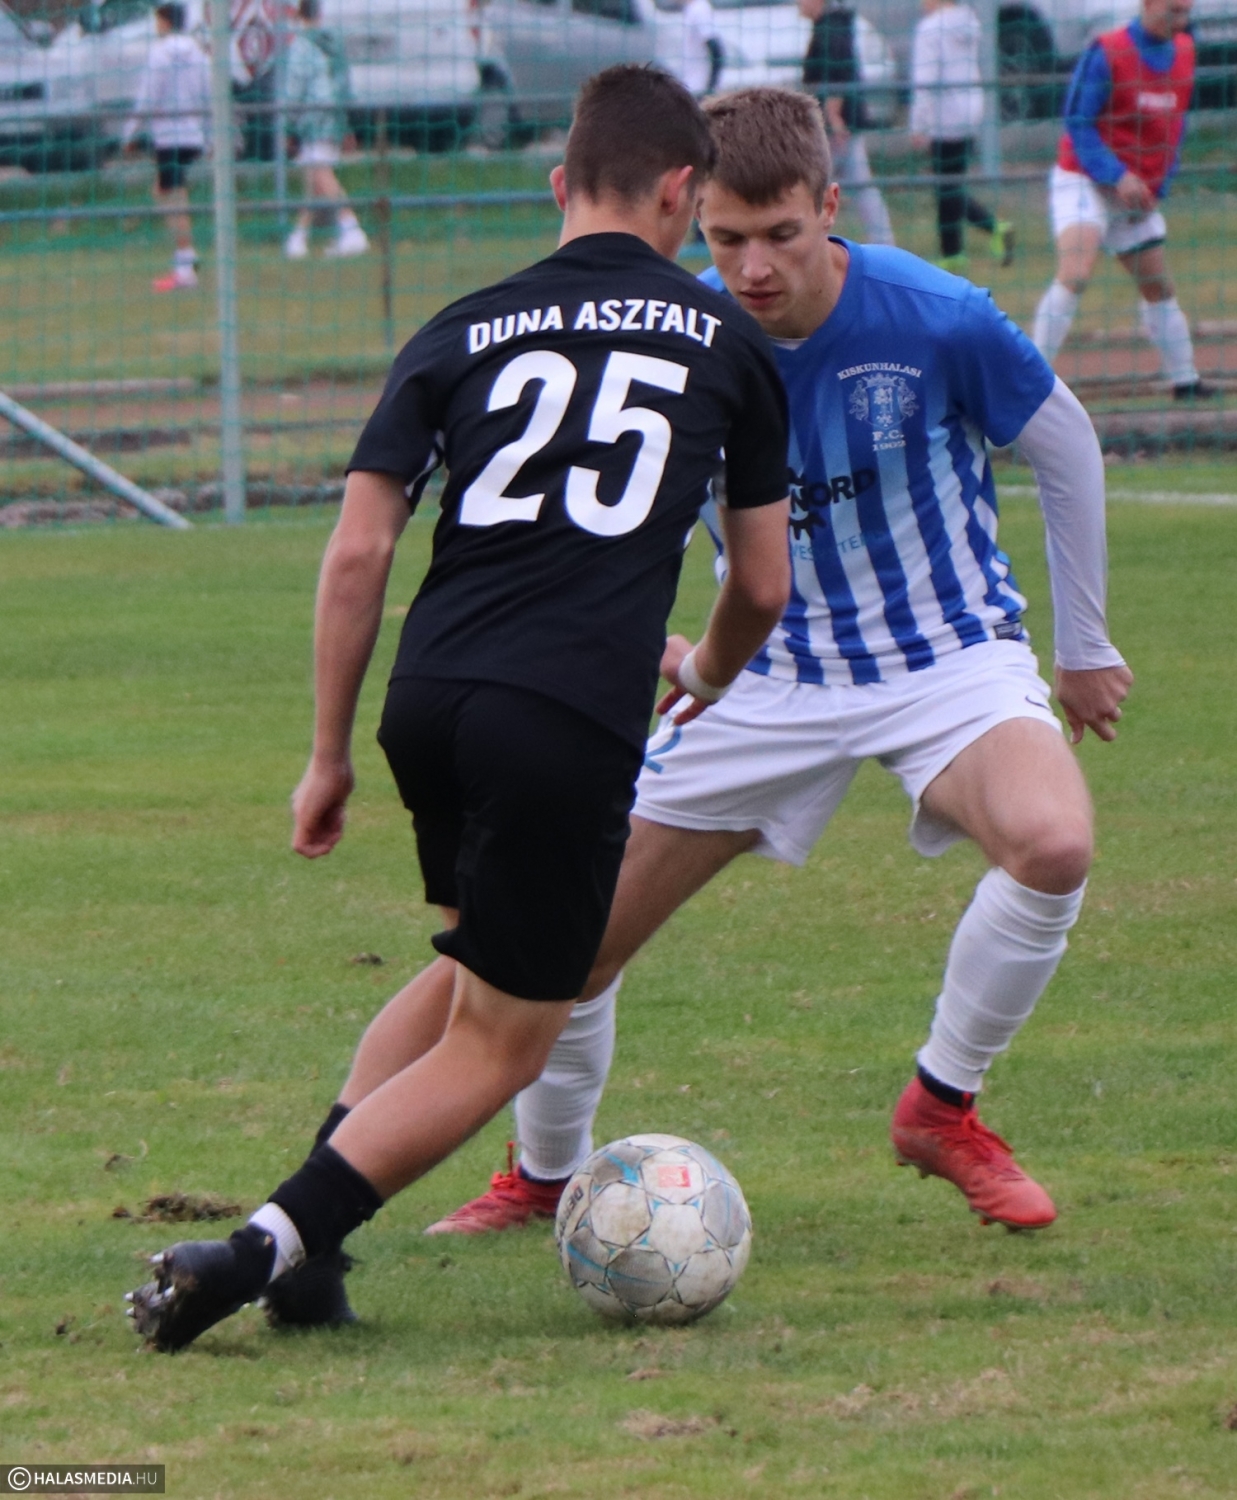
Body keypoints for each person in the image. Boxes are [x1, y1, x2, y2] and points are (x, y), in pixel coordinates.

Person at [320, 86, 1132, 1263]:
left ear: (829, 208)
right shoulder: (682, 335)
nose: (752, 268)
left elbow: (1063, 442)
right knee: (567, 941)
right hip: (757, 675)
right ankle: (543, 1177)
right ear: (691, 209)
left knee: (1053, 845)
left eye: (781, 235)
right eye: (727, 238)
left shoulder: (936, 315)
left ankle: (939, 1106)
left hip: (943, 656)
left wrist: (1085, 643)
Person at [125, 64, 792, 1353]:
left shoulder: (459, 327)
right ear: (680, 192)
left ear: (558, 185)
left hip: (430, 698)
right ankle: (254, 1253)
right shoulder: (728, 345)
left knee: (463, 983)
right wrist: (704, 674)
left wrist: (327, 755)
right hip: (564, 714)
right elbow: (760, 583)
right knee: (505, 1045)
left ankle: (311, 1263)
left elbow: (359, 552)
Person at [1031, 0, 1215, 401]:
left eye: (1186, 12)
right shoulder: (1108, 51)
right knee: (1076, 272)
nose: (1180, 21)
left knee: (1157, 284)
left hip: (1135, 191)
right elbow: (1078, 123)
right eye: (1172, 10)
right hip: (1084, 178)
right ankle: (1027, 381)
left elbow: (1174, 127)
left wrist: (1157, 186)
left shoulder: (1185, 52)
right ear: (1147, 4)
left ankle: (1185, 382)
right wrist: (1116, 175)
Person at [908, 0, 1013, 271]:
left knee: (946, 187)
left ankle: (960, 249)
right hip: (970, 111)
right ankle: (963, 245)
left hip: (944, 115)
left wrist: (919, 123)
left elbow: (925, 79)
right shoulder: (969, 22)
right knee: (951, 184)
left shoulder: (930, 28)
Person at [121, 2, 211, 293]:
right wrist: (210, 135)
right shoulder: (198, 52)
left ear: (165, 21)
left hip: (169, 136)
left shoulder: (159, 53)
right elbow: (208, 93)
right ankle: (185, 258)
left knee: (172, 195)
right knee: (166, 192)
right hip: (192, 134)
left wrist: (130, 132)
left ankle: (186, 262)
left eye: (157, 20)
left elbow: (148, 96)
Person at [799, 0, 895, 247]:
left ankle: (881, 240)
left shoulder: (831, 28)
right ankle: (880, 238)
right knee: (844, 182)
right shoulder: (829, 25)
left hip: (837, 124)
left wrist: (834, 117)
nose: (798, 4)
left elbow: (837, 71)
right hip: (835, 122)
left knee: (825, 182)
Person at [282, 0, 368, 259]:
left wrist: (288, 123)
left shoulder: (301, 46)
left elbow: (295, 87)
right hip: (334, 115)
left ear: (298, 16)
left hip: (313, 117)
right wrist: (347, 123)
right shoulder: (335, 44)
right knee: (315, 179)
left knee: (321, 174)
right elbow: (345, 84)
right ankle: (299, 237)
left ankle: (352, 230)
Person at [664, 0, 725, 97]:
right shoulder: (691, 9)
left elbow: (716, 50)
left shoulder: (700, 10)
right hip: (692, 86)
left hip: (700, 88)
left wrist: (711, 87)